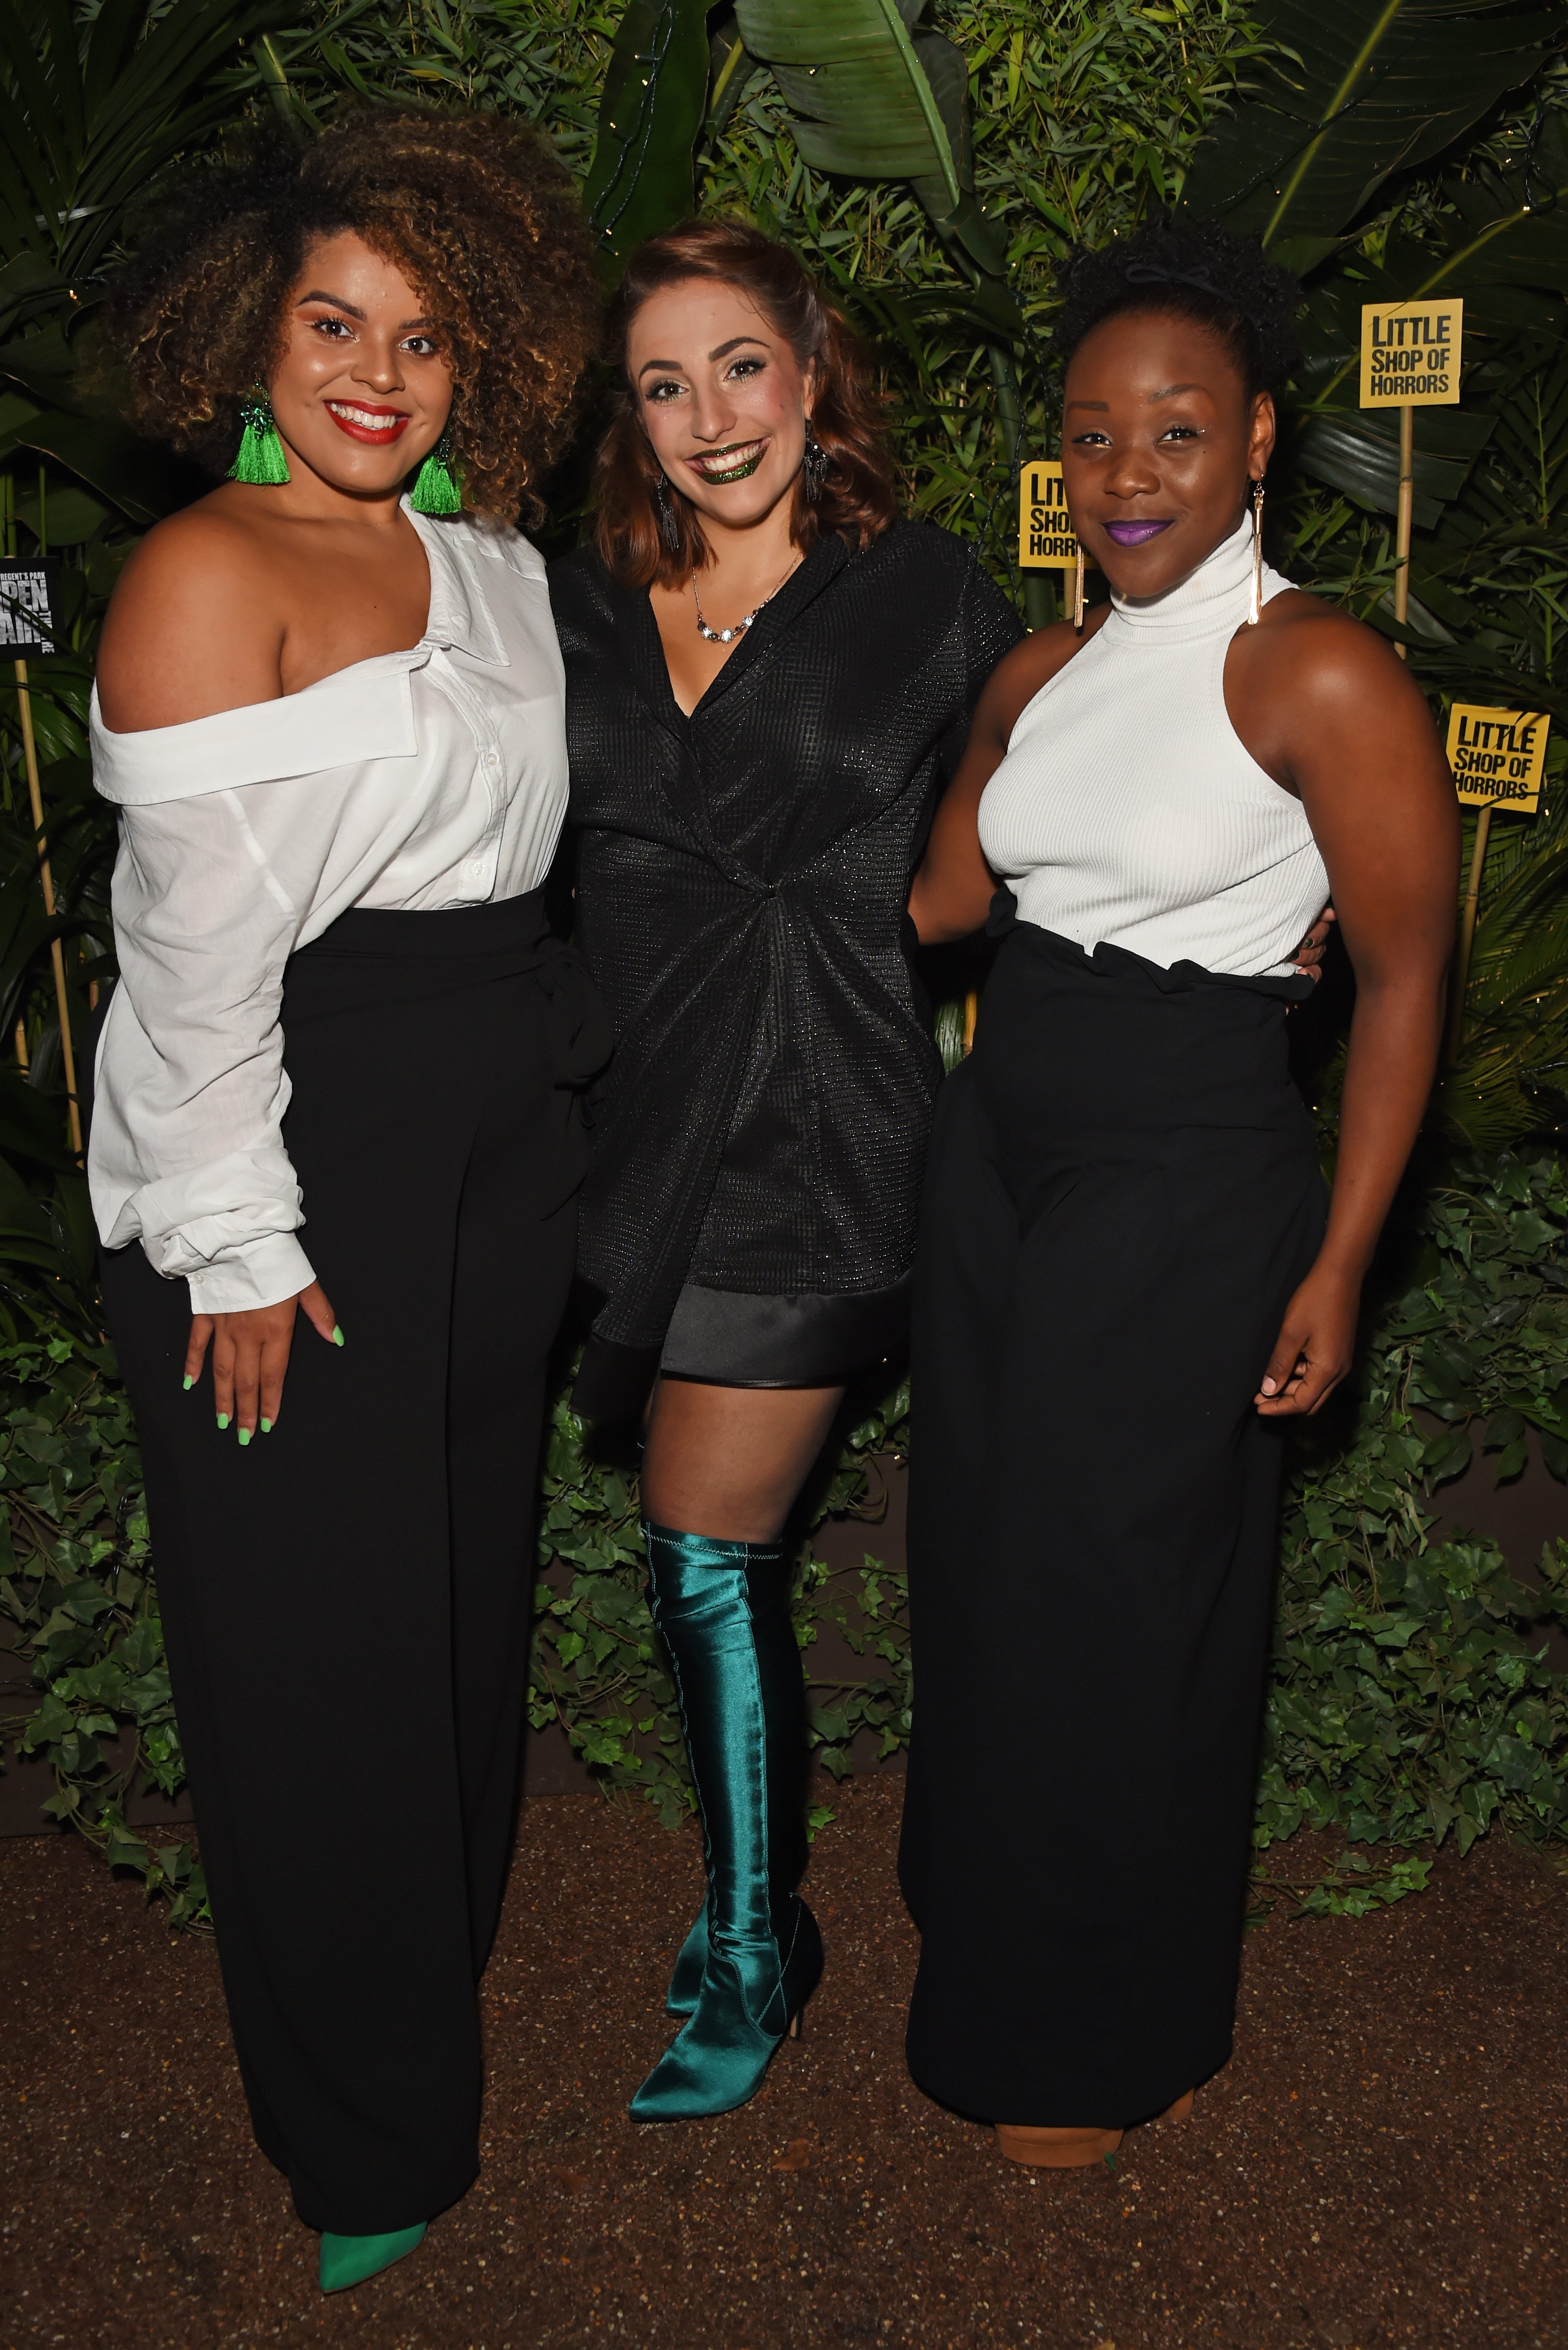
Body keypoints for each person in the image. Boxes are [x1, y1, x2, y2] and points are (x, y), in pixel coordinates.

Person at [89, 110, 605, 2288]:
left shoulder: (487, 562)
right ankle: (360, 2123)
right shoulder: (207, 568)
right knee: (313, 1660)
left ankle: (430, 1965)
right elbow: (189, 954)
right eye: (332, 322)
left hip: (500, 1160)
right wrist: (234, 1233)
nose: (375, 372)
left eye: (420, 332)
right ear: (255, 330)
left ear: (481, 355)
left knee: (457, 1612)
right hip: (296, 1166)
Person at [899, 216, 1459, 2170]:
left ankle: (1097, 2030)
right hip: (1005, 1142)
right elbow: (948, 908)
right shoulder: (1052, 663)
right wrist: (984, 720)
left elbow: (1401, 981)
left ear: (1254, 443)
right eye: (1091, 435)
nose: (1127, 472)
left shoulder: (1310, 667)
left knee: (1107, 1604)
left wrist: (1342, 1255)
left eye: (1174, 431)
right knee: (978, 1562)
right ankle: (987, 1950)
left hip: (1178, 1154)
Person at [548, 221, 1024, 2121]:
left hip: (820, 1115)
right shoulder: (576, 598)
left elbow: (1052, 797)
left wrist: (1266, 921)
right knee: (694, 1558)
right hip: (624, 1120)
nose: (707, 417)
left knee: (701, 1551)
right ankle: (754, 1903)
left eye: (739, 365)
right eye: (663, 384)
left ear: (812, 374)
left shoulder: (922, 595)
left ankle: (757, 1939)